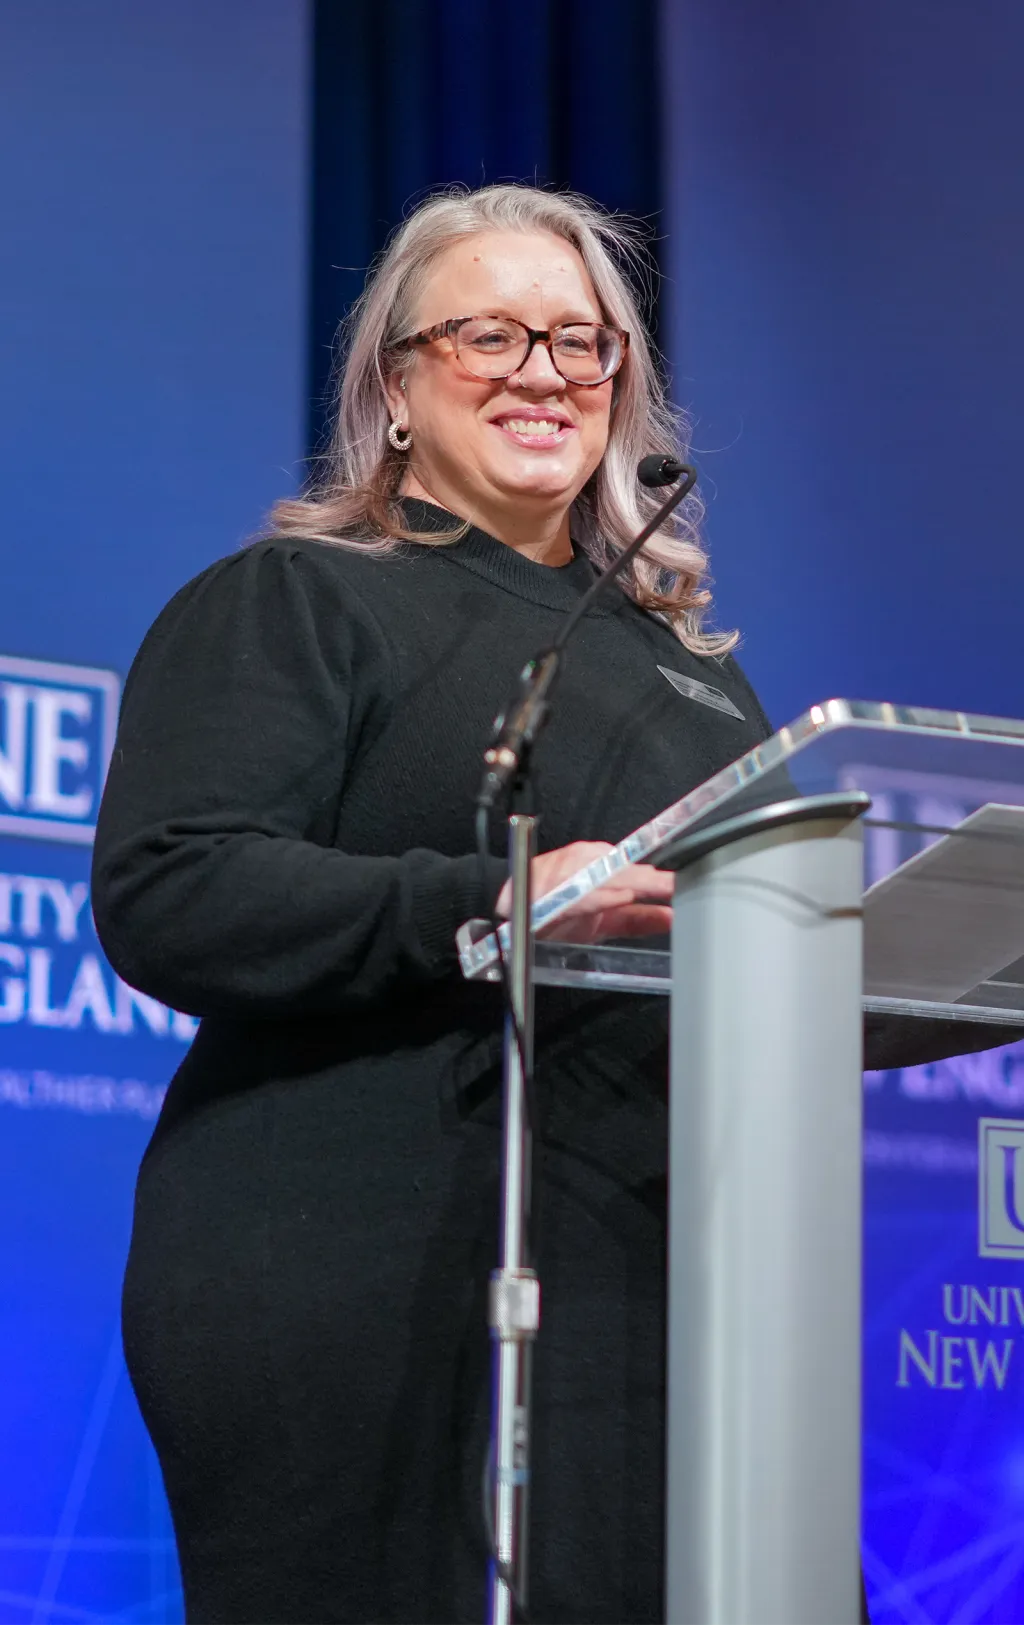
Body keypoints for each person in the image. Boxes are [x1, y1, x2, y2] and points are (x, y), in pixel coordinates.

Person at [92, 183, 774, 1625]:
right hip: (359, 1272)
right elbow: (177, 885)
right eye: (490, 335)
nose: (545, 372)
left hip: (662, 1284)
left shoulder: (696, 679)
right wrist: (499, 901)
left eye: (582, 342)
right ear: (396, 388)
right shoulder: (299, 598)